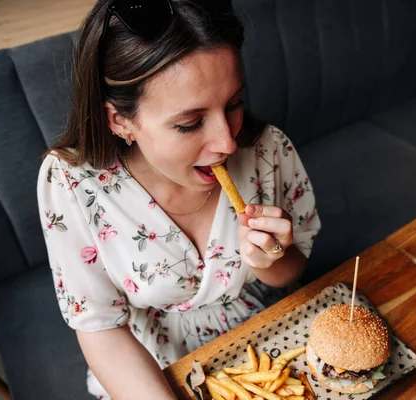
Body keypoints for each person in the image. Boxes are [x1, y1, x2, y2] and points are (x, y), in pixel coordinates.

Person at [37, 0, 320, 398]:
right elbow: (100, 327)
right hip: (148, 367)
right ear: (120, 121)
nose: (227, 143)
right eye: (190, 124)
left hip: (266, 335)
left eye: (235, 104)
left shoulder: (267, 150)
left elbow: (291, 273)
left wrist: (269, 260)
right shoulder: (70, 182)